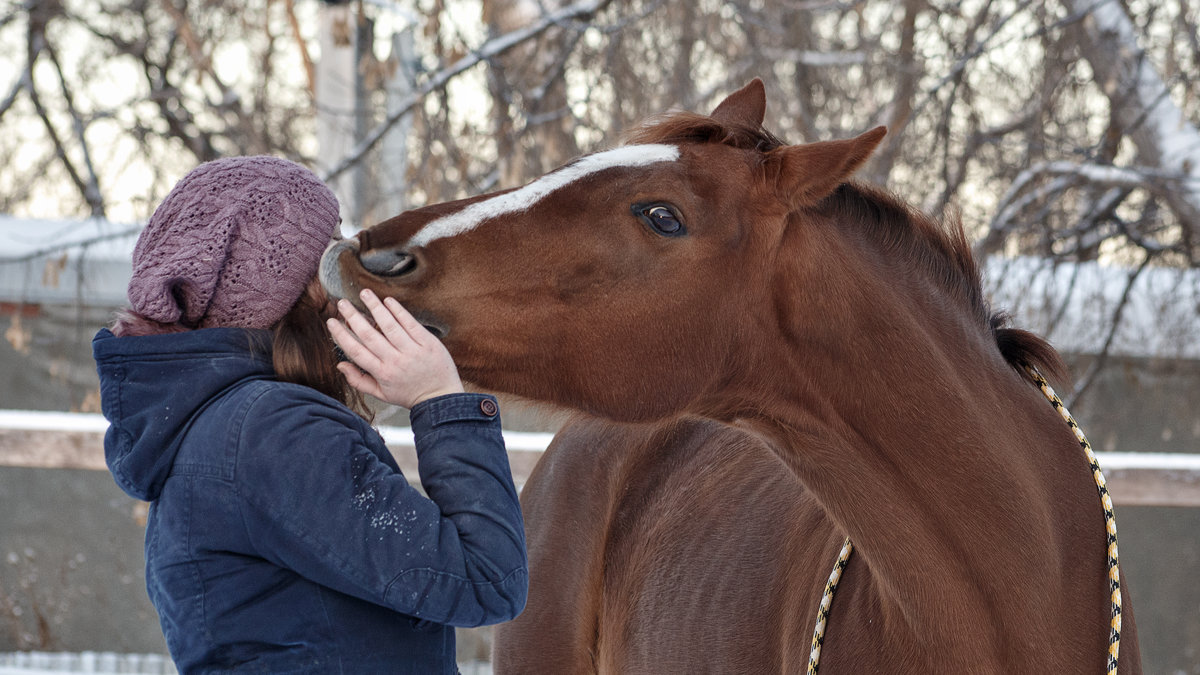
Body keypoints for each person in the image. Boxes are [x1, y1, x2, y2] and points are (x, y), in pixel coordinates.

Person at [91, 156, 527, 674]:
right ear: (283, 288)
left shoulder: (223, 427)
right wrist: (441, 401)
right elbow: (485, 580)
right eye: (332, 255)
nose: (353, 279)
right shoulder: (272, 435)